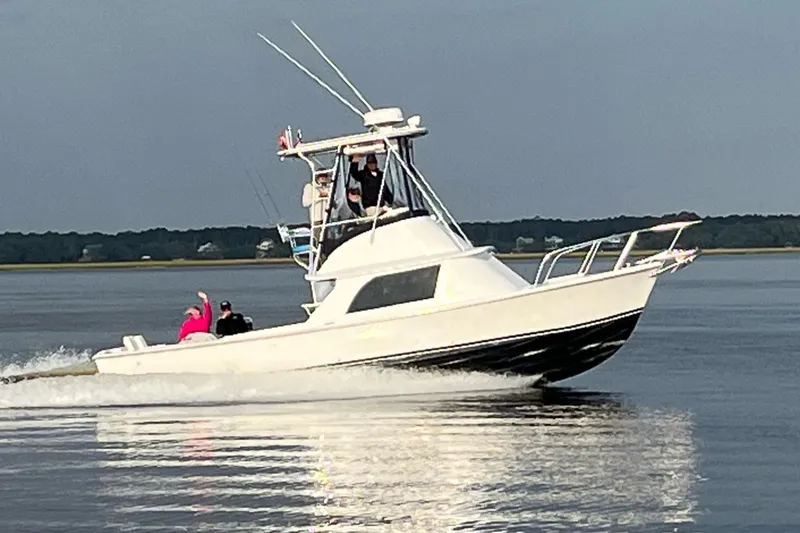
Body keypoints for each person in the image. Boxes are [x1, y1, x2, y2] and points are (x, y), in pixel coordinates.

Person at [302, 171, 330, 239]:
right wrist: (319, 197)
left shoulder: (329, 187)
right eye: (321, 176)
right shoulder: (310, 187)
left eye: (325, 176)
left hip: (329, 217)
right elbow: (305, 203)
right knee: (318, 238)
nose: (323, 178)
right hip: (317, 220)